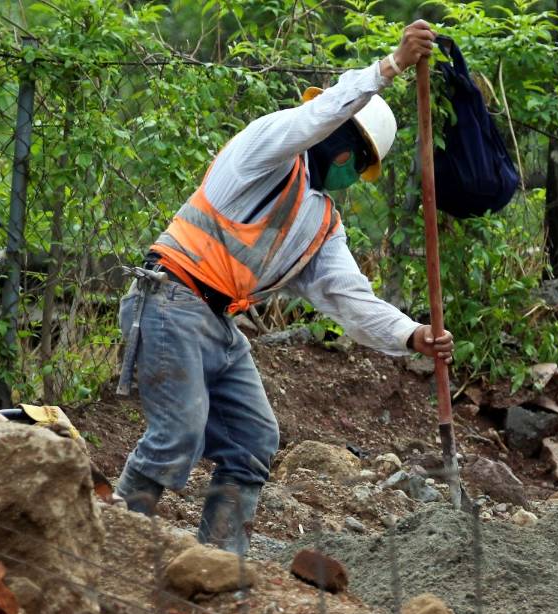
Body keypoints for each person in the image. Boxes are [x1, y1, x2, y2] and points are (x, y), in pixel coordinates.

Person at [115, 20, 454, 555]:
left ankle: (220, 565)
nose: (353, 175)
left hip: (218, 322)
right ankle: (116, 543)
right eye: (360, 164)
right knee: (177, 435)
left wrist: (414, 335)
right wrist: (388, 68)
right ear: (345, 151)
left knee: (253, 440)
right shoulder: (268, 149)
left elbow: (350, 298)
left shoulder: (320, 223)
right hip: (170, 298)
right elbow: (318, 115)